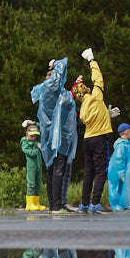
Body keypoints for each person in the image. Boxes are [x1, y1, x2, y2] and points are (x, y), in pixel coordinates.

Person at [30, 58, 77, 213]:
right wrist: (54, 64)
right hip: (58, 138)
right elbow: (60, 71)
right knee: (58, 169)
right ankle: (56, 204)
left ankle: (53, 204)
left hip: (49, 137)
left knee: (52, 169)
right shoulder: (52, 91)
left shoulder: (47, 93)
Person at [74, 47, 114, 213]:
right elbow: (98, 78)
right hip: (99, 138)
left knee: (89, 171)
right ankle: (95, 202)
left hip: (87, 139)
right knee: (101, 171)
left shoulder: (83, 108)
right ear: (87, 90)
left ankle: (84, 203)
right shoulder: (96, 96)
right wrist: (91, 60)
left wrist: (106, 114)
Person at [20, 121, 47, 210]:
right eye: (31, 136)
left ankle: (36, 202)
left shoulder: (36, 140)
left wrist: (33, 123)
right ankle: (29, 204)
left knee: (38, 183)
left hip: (38, 166)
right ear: (27, 134)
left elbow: (42, 128)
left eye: (35, 136)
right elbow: (28, 152)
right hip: (31, 166)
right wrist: (36, 148)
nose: (33, 138)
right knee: (31, 183)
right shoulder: (25, 142)